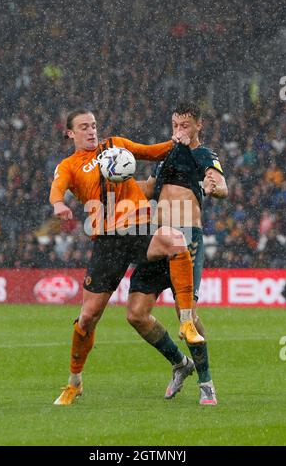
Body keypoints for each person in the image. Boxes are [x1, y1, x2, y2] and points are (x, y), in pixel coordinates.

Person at [50, 108, 203, 405]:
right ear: (70, 132)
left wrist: (176, 141)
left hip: (140, 227)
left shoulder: (116, 144)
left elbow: (152, 152)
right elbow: (56, 189)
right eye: (83, 127)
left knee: (174, 240)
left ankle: (186, 320)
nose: (91, 131)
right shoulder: (68, 166)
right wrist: (58, 204)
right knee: (87, 318)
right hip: (108, 241)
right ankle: (74, 382)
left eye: (94, 125)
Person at [128, 102, 228, 405]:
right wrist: (113, 184)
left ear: (199, 126)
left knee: (186, 315)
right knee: (136, 315)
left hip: (187, 241)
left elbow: (220, 184)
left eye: (184, 125)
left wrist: (215, 187)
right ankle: (180, 363)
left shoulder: (203, 155)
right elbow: (148, 189)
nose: (178, 131)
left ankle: (206, 380)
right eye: (175, 125)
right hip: (158, 241)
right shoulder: (166, 155)